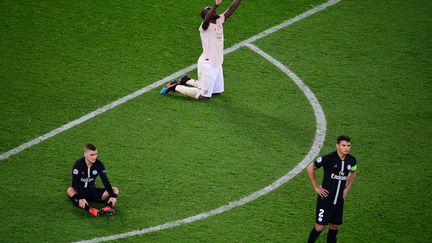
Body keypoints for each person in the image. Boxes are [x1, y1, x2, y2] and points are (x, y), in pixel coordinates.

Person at [160, 0, 241, 100]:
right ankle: (175, 87)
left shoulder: (219, 20)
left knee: (216, 92)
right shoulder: (204, 27)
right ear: (207, 16)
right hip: (208, 65)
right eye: (211, 12)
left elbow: (231, 9)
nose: (215, 13)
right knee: (204, 96)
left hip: (217, 63)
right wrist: (215, 6)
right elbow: (207, 20)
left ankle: (187, 80)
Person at [306, 135, 358, 243]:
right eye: (344, 145)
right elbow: (310, 167)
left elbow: (353, 172)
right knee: (319, 227)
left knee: (334, 227)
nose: (346, 148)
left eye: (348, 145)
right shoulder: (329, 158)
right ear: (337, 146)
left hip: (339, 199)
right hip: (325, 198)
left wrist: (347, 188)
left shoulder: (352, 160)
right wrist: (316, 186)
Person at [66, 144, 119, 217]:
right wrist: (81, 198)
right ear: (85, 154)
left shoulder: (99, 164)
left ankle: (107, 207)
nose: (94, 157)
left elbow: (105, 180)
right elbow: (76, 182)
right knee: (70, 190)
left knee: (115, 190)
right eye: (91, 155)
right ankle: (90, 209)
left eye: (96, 154)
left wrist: (113, 196)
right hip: (79, 191)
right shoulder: (78, 165)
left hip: (92, 191)